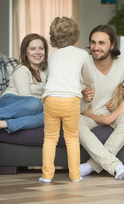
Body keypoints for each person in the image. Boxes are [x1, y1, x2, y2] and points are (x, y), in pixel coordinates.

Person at [79, 25, 124, 180]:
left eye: (101, 43)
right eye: (93, 43)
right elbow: (68, 94)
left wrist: (120, 98)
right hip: (87, 114)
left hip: (113, 113)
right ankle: (114, 165)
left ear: (112, 45)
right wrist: (82, 94)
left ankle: (92, 166)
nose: (96, 47)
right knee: (72, 122)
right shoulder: (82, 63)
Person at [39, 17, 95, 183]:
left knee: (49, 138)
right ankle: (75, 175)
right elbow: (89, 77)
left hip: (50, 98)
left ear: (53, 36)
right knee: (71, 138)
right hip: (70, 100)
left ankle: (47, 176)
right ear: (76, 35)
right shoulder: (82, 54)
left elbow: (48, 78)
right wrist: (86, 86)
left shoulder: (53, 55)